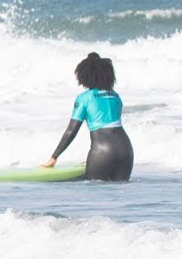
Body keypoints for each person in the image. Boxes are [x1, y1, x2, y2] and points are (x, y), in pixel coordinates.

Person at [41, 52, 133, 181]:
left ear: (85, 76)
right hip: (126, 151)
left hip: (102, 152)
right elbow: (110, 127)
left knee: (93, 194)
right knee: (118, 195)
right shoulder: (115, 96)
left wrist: (54, 157)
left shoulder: (85, 98)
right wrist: (92, 159)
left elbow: (71, 131)